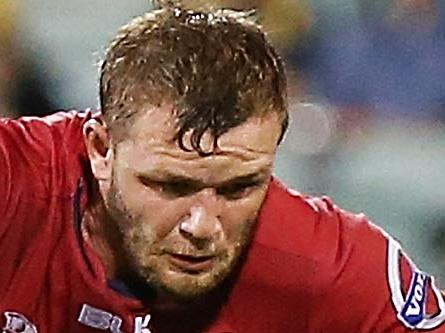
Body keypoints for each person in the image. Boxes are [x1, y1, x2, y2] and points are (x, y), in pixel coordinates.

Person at [0, 2, 444, 333]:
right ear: (100, 149)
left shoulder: (329, 267)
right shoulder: (15, 186)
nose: (202, 226)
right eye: (171, 186)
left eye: (238, 188)